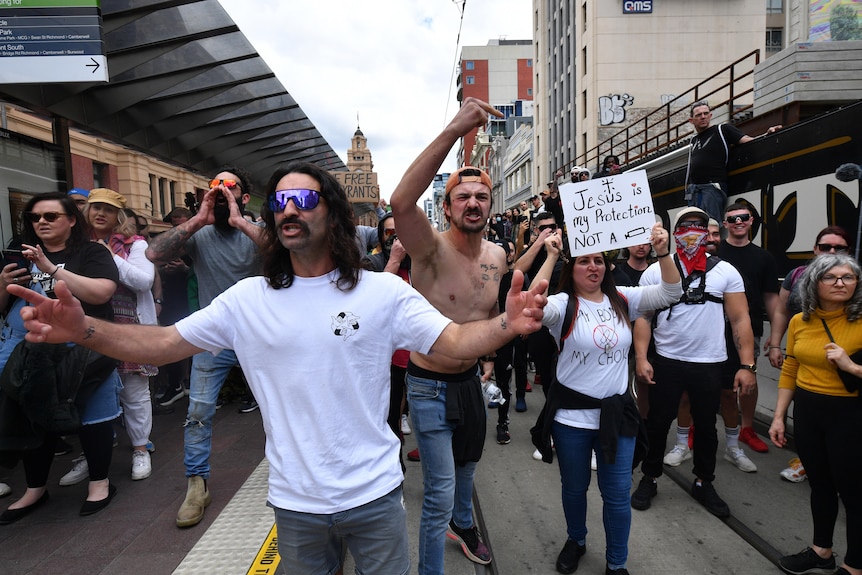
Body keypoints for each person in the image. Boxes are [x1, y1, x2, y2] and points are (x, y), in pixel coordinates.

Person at [7, 161, 549, 574]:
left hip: (377, 499)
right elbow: (166, 343)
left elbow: (453, 339)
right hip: (296, 506)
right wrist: (84, 332)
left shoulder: (382, 292)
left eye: (303, 198)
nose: (288, 208)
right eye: (280, 201)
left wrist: (506, 324)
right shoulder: (247, 299)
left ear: (332, 213)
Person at [390, 97, 508, 573]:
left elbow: (492, 313)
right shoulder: (429, 250)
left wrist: (490, 368)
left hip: (470, 386)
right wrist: (453, 129)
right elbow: (400, 201)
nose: (473, 203)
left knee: (467, 470)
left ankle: (465, 525)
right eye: (463, 196)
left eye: (481, 197)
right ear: (447, 205)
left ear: (490, 204)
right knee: (438, 491)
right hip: (428, 385)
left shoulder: (498, 256)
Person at [532, 222, 680, 575]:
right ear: (573, 268)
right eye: (584, 261)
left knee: (616, 497)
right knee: (574, 488)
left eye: (599, 260)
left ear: (607, 266)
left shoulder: (624, 299)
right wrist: (551, 254)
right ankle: (576, 540)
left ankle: (617, 563)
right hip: (571, 421)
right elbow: (532, 303)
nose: (593, 267)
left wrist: (664, 251)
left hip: (618, 419)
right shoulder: (562, 304)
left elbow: (671, 292)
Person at [145, 167, 265, 528]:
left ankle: (299, 471)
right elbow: (153, 253)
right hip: (213, 336)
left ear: (244, 198)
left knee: (287, 402)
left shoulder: (258, 232)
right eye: (215, 187)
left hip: (260, 333)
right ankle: (197, 485)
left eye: (230, 188)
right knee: (198, 412)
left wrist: (239, 219)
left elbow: (283, 252)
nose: (221, 191)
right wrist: (200, 217)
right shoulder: (201, 234)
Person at [0, 192, 119, 523]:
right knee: (31, 415)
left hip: (84, 348)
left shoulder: (91, 252)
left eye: (51, 216)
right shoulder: (18, 256)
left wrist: (51, 269)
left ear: (70, 220)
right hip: (31, 351)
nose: (41, 222)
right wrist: (2, 285)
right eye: (35, 217)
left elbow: (102, 292)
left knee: (93, 414)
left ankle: (100, 483)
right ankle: (35, 488)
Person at [632, 206, 756, 518]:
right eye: (686, 225)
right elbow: (644, 318)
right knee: (658, 423)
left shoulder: (725, 271)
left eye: (699, 226)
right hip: (667, 361)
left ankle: (704, 481)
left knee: (706, 426)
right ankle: (650, 476)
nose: (692, 232)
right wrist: (642, 358)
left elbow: (740, 319)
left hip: (710, 363)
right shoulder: (655, 270)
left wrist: (747, 365)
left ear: (709, 232)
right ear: (675, 233)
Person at [769, 253, 862, 575]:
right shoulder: (800, 321)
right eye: (831, 277)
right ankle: (822, 551)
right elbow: (791, 367)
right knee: (820, 485)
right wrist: (780, 416)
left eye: (848, 277)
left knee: (853, 491)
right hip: (808, 411)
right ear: (814, 283)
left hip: (851, 414)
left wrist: (850, 366)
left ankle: (854, 566)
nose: (840, 283)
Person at [765, 225, 851, 482]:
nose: (831, 251)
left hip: (840, 361)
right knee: (802, 408)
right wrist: (776, 344)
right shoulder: (797, 275)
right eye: (825, 247)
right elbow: (781, 310)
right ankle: (809, 461)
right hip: (801, 353)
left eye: (839, 247)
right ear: (815, 250)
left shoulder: (852, 279)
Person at [85, 190, 158, 481]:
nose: (100, 213)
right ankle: (89, 452)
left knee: (135, 391)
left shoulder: (135, 245)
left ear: (119, 216)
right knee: (90, 389)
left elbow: (144, 282)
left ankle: (140, 448)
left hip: (131, 326)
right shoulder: (77, 246)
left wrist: (108, 255)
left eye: (108, 209)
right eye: (95, 208)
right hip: (91, 327)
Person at [684, 101, 781, 222]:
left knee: (711, 225)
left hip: (711, 187)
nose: (703, 116)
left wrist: (767, 134)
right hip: (694, 190)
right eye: (698, 115)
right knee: (694, 227)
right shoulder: (694, 140)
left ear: (710, 115)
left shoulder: (722, 129)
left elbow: (748, 141)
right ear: (691, 120)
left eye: (706, 113)